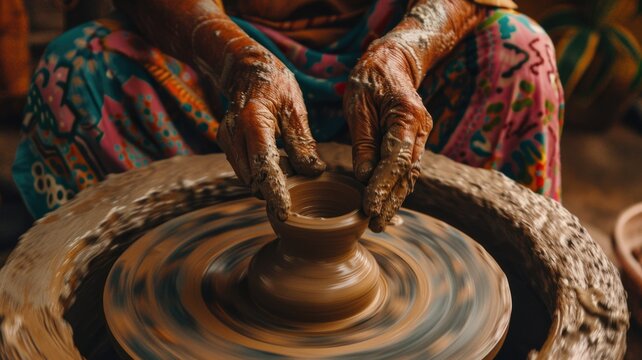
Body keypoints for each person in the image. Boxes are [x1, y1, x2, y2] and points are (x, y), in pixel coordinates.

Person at [12, 0, 563, 232]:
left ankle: (488, 291)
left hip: (395, 60)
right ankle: (132, 300)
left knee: (521, 55)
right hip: (220, 61)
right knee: (76, 69)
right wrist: (237, 62)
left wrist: (404, 53)